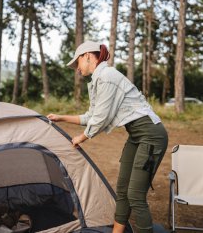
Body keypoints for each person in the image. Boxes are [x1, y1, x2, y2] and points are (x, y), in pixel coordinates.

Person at [47, 41, 168, 233]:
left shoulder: (107, 76)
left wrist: (82, 137)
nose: (76, 68)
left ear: (88, 56)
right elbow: (92, 116)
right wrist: (61, 118)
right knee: (122, 191)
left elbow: (101, 119)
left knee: (135, 195)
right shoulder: (97, 80)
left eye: (77, 62)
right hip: (136, 136)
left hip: (151, 136)